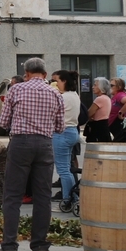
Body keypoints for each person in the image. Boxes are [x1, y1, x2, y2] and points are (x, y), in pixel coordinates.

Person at [0, 57, 64, 251]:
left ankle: (9, 247)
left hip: (21, 144)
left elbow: (4, 122)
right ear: (44, 74)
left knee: (13, 195)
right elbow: (60, 126)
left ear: (26, 74)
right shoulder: (55, 93)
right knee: (42, 196)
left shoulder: (16, 90)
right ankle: (40, 247)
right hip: (44, 145)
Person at [51, 70, 81, 210]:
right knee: (67, 168)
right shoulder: (74, 95)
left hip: (62, 133)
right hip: (72, 131)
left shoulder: (63, 97)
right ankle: (73, 197)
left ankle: (68, 199)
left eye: (56, 81)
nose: (54, 84)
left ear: (64, 81)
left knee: (63, 170)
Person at [85, 77, 113, 143]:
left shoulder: (100, 99)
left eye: (95, 85)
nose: (93, 87)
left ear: (101, 87)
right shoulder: (106, 98)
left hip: (98, 127)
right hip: (104, 126)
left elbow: (89, 113)